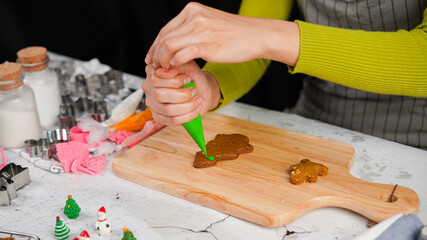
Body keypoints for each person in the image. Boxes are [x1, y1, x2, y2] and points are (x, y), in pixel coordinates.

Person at [142, 1, 427, 149]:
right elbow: (252, 48)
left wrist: (267, 34)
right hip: (313, 121)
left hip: (413, 144)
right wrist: (211, 87)